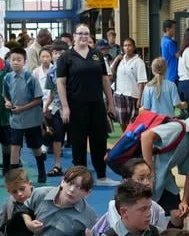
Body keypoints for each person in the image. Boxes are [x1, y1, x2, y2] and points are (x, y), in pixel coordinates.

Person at [55, 24, 117, 186]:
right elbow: (61, 83)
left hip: (96, 104)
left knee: (99, 140)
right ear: (74, 36)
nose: (83, 36)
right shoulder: (66, 57)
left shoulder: (96, 54)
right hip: (75, 105)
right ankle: (80, 178)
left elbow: (105, 80)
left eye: (86, 34)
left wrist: (110, 103)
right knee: (78, 141)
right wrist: (65, 106)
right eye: (80, 33)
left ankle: (102, 176)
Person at [140, 104, 189, 215]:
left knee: (176, 217)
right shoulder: (177, 128)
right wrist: (149, 172)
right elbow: (146, 136)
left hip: (164, 181)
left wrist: (185, 201)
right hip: (145, 179)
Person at [92, 158, 168, 236]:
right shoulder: (114, 206)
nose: (147, 183)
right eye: (141, 179)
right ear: (126, 182)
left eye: (149, 177)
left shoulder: (157, 209)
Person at [3, 47, 47, 182]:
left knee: (35, 148)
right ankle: (15, 178)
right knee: (14, 147)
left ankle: (41, 171)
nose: (15, 62)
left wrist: (22, 108)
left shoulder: (30, 77)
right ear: (9, 61)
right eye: (13, 60)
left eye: (19, 60)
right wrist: (7, 103)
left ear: (24, 61)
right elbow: (6, 96)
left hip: (32, 120)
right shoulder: (7, 78)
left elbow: (38, 99)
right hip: (16, 120)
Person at [42, 42, 68, 176]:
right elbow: (52, 92)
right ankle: (57, 166)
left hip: (73, 108)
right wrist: (46, 106)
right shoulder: (51, 72)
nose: (58, 55)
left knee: (76, 138)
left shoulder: (72, 68)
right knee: (57, 138)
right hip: (57, 109)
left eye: (61, 53)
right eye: (55, 53)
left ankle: (78, 167)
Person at [109, 37, 148, 128]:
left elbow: (141, 81)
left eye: (129, 45)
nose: (127, 48)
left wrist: (140, 98)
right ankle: (125, 138)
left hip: (132, 95)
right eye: (125, 46)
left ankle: (131, 139)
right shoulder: (121, 60)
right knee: (121, 121)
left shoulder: (139, 62)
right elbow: (110, 72)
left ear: (134, 47)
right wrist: (116, 60)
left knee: (133, 121)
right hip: (119, 93)